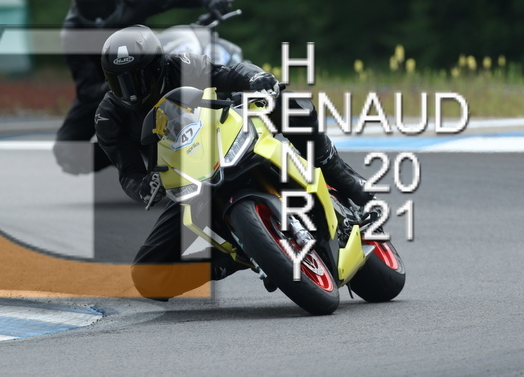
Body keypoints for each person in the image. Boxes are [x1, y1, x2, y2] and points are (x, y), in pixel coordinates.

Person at [95, 25, 374, 299]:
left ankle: (339, 173)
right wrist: (144, 187)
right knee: (147, 277)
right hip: (189, 180)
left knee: (283, 101)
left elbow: (227, 73)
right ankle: (231, 260)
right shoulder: (108, 116)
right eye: (121, 82)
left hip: (227, 132)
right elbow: (128, 173)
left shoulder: (180, 65)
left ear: (159, 65)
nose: (132, 91)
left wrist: (256, 78)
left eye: (140, 78)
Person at [54, 0, 235, 175]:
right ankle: (132, 150)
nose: (98, 13)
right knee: (66, 152)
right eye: (91, 6)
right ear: (78, 4)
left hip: (146, 67)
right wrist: (124, 85)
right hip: (109, 88)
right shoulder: (72, 31)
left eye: (103, 4)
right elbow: (87, 89)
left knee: (203, 70)